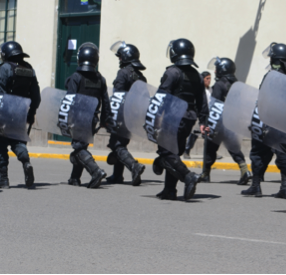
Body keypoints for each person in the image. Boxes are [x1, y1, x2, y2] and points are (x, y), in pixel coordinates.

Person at [154, 38, 208, 201]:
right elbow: (202, 100)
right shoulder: (196, 75)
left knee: (166, 152)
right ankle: (169, 190)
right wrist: (204, 121)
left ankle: (188, 176)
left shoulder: (172, 72)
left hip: (172, 117)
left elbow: (162, 96)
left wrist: (154, 116)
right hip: (188, 119)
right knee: (174, 152)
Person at [241, 43, 286, 199]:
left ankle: (256, 186)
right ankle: (285, 187)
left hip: (268, 120)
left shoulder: (272, 75)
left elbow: (262, 97)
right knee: (283, 153)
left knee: (259, 152)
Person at [0, 41, 40, 190]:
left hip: (5, 112)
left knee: (0, 144)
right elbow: (36, 96)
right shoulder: (29, 69)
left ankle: (3, 179)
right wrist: (31, 114)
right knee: (18, 141)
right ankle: (26, 162)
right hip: (21, 113)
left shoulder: (5, 68)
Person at [198, 57, 252, 185]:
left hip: (218, 121)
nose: (215, 72)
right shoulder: (236, 84)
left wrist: (209, 123)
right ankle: (245, 170)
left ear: (223, 70)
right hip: (231, 121)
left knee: (210, 148)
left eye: (217, 69)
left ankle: (205, 174)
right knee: (233, 147)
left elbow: (214, 105)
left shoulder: (219, 84)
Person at [64, 43, 110, 188]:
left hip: (78, 118)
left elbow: (69, 99)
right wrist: (104, 120)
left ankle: (96, 171)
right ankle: (74, 178)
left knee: (79, 147)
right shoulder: (100, 79)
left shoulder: (76, 77)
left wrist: (65, 119)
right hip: (92, 119)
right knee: (81, 146)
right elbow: (106, 101)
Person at [105, 41, 147, 185]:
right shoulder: (141, 77)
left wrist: (111, 116)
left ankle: (134, 166)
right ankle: (117, 176)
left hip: (121, 114)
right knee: (121, 143)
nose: (119, 60)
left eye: (120, 57)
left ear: (126, 57)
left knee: (116, 144)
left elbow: (118, 96)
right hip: (134, 117)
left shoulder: (123, 73)